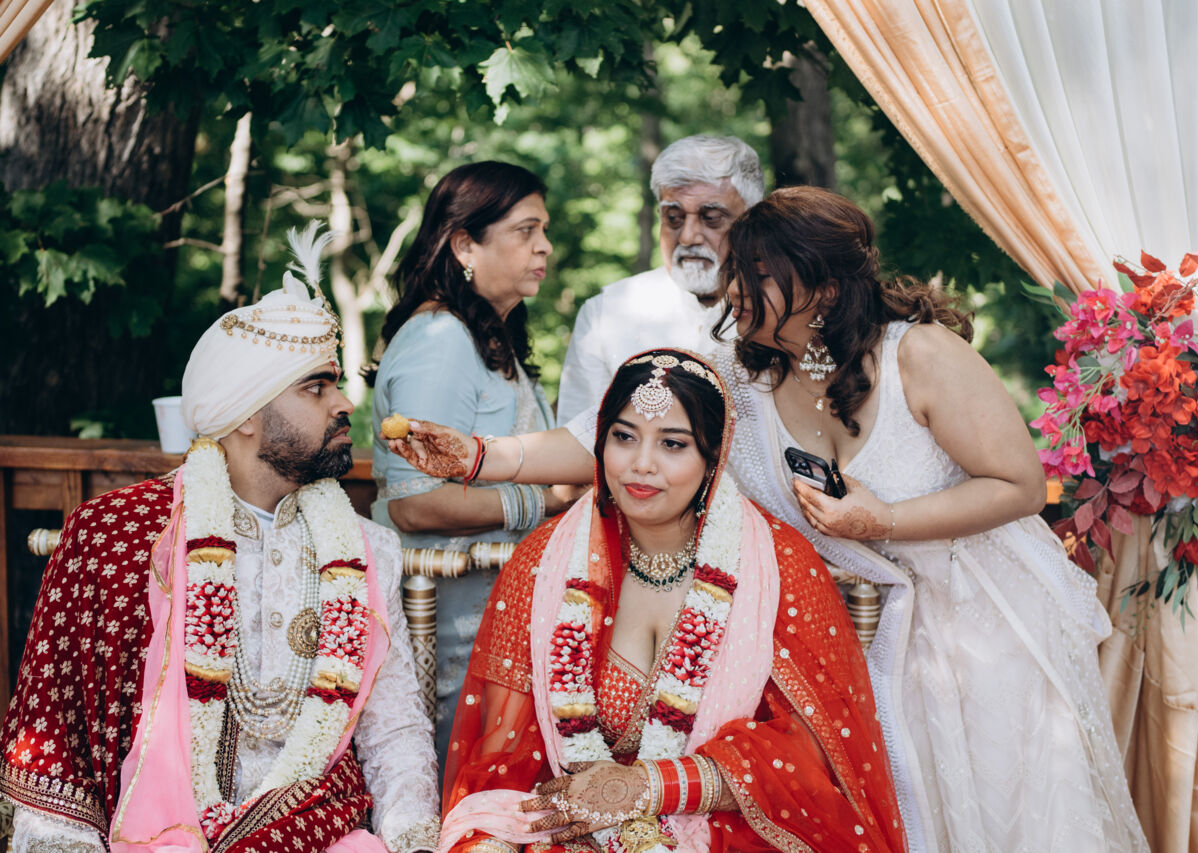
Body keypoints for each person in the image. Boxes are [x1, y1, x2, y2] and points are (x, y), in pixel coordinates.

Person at [390, 187, 1152, 852]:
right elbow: (624, 430)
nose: (734, 290)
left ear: (823, 286)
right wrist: (481, 456)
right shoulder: (743, 369)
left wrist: (884, 518)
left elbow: (1020, 483)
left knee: (994, 813)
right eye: (737, 272)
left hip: (974, 617)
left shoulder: (918, 354)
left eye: (757, 274)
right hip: (851, 628)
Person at [0, 224, 439, 852]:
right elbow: (59, 744)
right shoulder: (119, 537)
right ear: (247, 414)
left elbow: (393, 731)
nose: (345, 403)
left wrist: (413, 840)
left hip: (318, 833)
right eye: (317, 387)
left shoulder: (368, 551)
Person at [416, 349, 906, 853]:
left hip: (728, 828)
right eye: (623, 437)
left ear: (713, 457)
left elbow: (814, 753)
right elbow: (504, 760)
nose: (641, 465)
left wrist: (649, 787)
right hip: (571, 824)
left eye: (673, 444)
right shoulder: (545, 564)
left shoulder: (778, 566)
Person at [367, 161, 570, 766]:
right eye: (526, 230)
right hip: (450, 618)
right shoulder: (440, 341)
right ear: (464, 245)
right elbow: (415, 503)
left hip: (492, 605)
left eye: (544, 230)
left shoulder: (482, 336)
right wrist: (546, 500)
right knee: (459, 772)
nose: (544, 246)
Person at [555, 135, 764, 426]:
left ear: (751, 220)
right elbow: (578, 439)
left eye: (711, 218)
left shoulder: (780, 311)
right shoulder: (606, 313)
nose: (688, 237)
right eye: (673, 218)